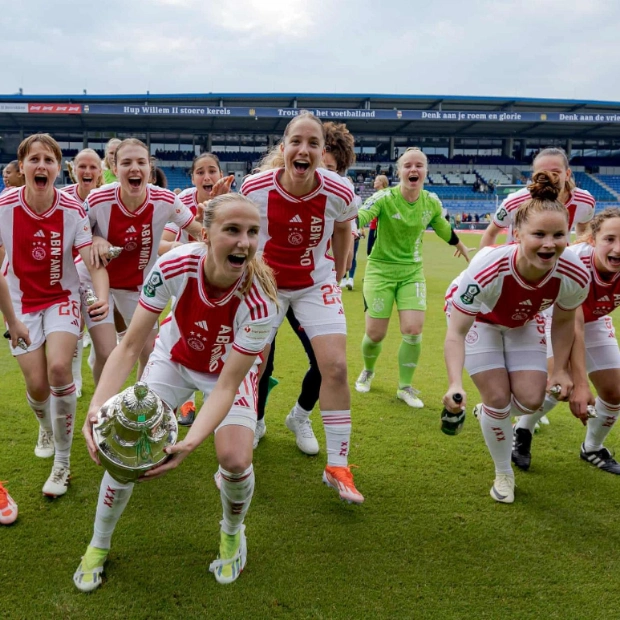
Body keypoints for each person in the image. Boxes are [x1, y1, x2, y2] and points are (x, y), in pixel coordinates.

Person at [74, 193, 278, 590]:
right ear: (205, 233)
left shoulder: (260, 302)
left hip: (224, 372)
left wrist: (191, 442)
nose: (245, 242)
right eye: (232, 230)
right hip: (175, 357)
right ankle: (98, 544)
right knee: (128, 442)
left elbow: (226, 384)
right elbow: (131, 344)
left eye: (253, 232)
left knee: (234, 459)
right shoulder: (173, 264)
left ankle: (232, 534)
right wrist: (97, 406)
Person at [443, 171, 590, 504]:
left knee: (531, 400)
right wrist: (454, 383)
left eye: (558, 234)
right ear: (517, 234)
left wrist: (560, 370)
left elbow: (565, 320)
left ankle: (489, 413)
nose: (549, 243)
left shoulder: (573, 272)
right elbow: (456, 331)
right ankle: (503, 473)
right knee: (497, 398)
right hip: (481, 321)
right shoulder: (488, 267)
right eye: (539, 234)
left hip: (522, 321)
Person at [241, 111, 364, 503]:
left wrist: (341, 270)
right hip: (267, 282)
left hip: (315, 284)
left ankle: (338, 466)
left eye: (313, 143)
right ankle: (245, 433)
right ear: (283, 148)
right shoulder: (255, 187)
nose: (304, 149)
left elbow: (345, 226)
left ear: (322, 151)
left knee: (336, 365)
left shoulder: (340, 191)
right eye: (297, 141)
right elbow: (240, 233)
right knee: (253, 363)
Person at [0, 133, 109, 497]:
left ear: (57, 168)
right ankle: (46, 426)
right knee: (36, 386)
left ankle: (62, 462)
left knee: (60, 369)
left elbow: (91, 258)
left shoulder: (72, 209)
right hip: (19, 303)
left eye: (49, 160)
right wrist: (12, 322)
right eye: (34, 159)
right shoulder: (4, 207)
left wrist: (101, 296)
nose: (41, 165)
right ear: (23, 167)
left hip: (62, 296)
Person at [80, 138, 203, 383]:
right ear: (115, 170)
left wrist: (214, 218)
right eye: (126, 163)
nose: (134, 168)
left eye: (141, 162)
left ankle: (137, 411)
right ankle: (102, 413)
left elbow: (199, 229)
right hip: (95, 279)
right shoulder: (97, 200)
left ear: (150, 168)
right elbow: (76, 234)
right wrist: (94, 237)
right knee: (105, 352)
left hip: (137, 286)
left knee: (148, 352)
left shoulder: (166, 200)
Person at [354, 147, 470, 407]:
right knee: (375, 335)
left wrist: (459, 244)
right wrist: (354, 226)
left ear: (425, 171)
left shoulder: (430, 201)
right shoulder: (384, 198)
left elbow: (440, 224)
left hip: (411, 273)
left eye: (419, 165)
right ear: (399, 171)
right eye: (408, 165)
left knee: (414, 330)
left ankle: (404, 386)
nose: (413, 169)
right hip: (380, 270)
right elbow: (362, 214)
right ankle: (368, 370)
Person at [512, 207, 620, 474]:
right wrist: (582, 384)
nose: (618, 249)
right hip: (556, 315)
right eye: (610, 239)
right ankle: (522, 430)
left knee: (615, 391)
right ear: (593, 239)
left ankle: (592, 448)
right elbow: (574, 325)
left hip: (594, 318)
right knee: (561, 385)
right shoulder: (575, 263)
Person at [479, 147, 595, 249]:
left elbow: (584, 230)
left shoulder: (584, 201)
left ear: (567, 174)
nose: (550, 176)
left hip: (557, 266)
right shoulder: (514, 202)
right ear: (534, 176)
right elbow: (491, 233)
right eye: (543, 172)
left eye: (556, 172)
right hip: (519, 267)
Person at [63, 148, 104, 397]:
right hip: (68, 274)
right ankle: (75, 377)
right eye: (82, 166)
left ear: (100, 172)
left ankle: (95, 361)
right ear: (73, 170)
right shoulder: (62, 197)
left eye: (92, 167)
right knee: (75, 325)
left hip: (99, 272)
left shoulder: (107, 197)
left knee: (103, 329)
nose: (87, 171)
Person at [366, 174, 389, 257]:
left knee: (371, 252)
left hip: (378, 227)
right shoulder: (380, 195)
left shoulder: (384, 196)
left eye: (376, 180)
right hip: (374, 226)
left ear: (381, 182)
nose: (374, 182)